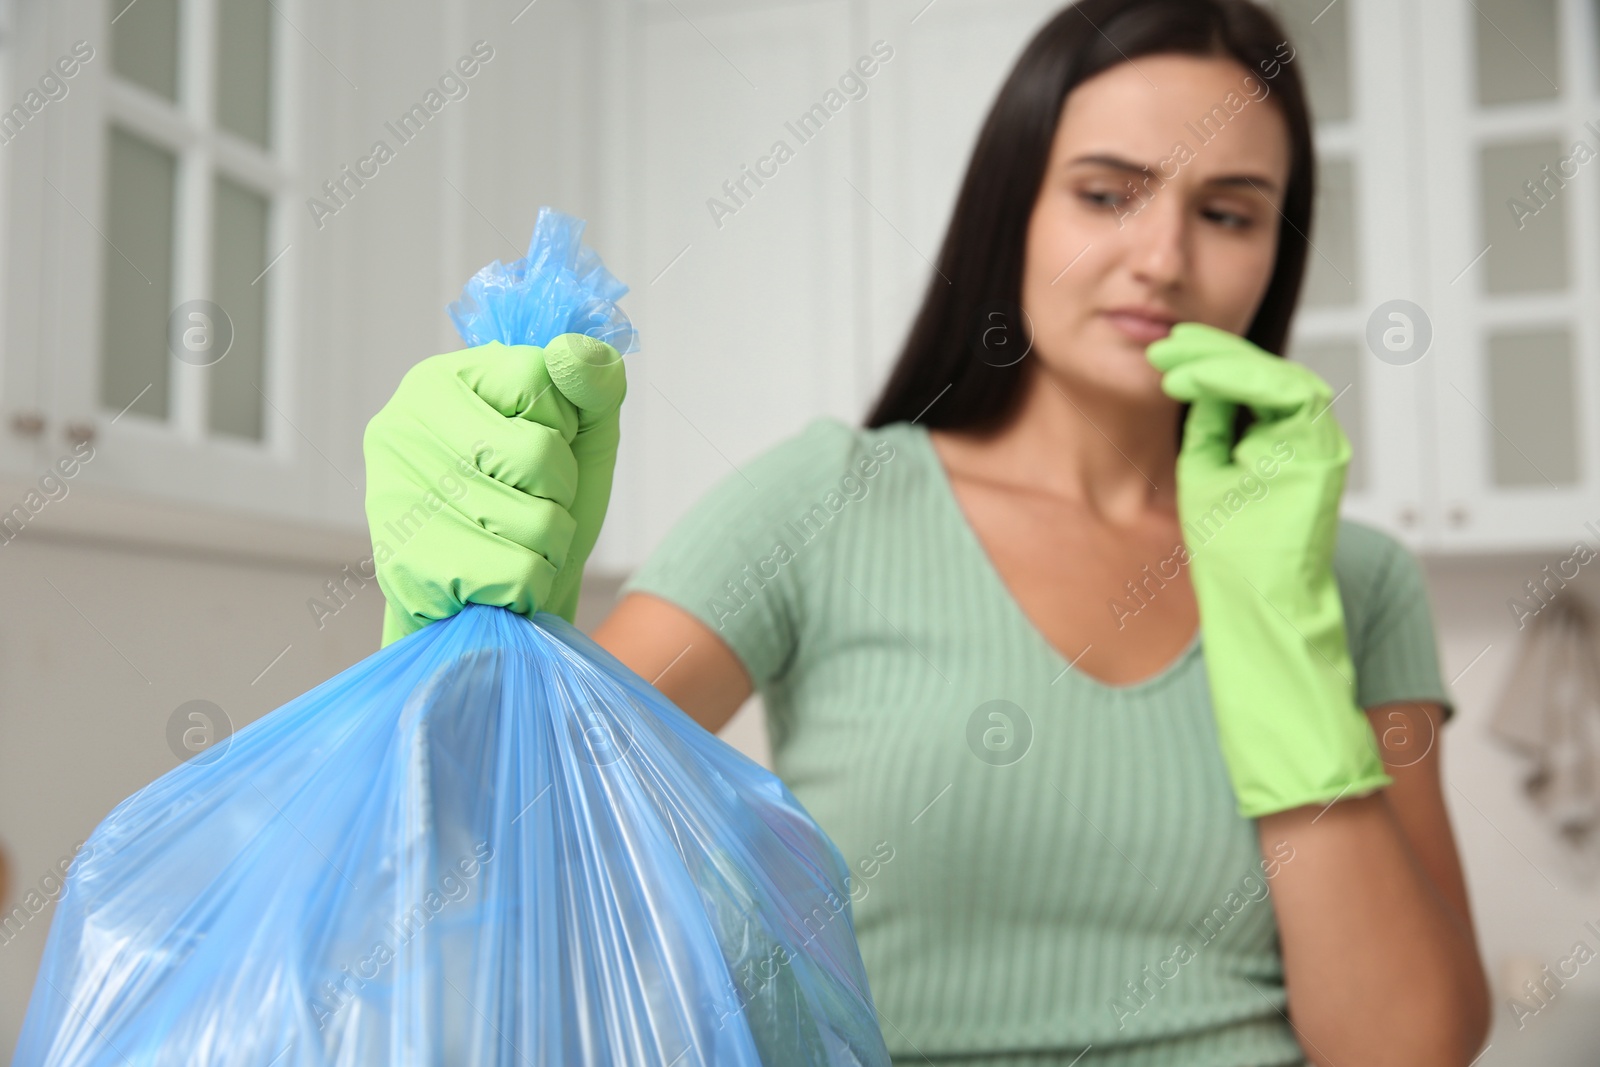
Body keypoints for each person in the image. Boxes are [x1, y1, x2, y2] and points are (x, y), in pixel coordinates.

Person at [361, 0, 1492, 1062]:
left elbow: (1405, 1046)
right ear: (1013, 210)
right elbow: (491, 850)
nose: (1162, 260)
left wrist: (1281, 639)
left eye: (1227, 211)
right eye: (1106, 193)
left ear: (1273, 254)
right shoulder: (825, 505)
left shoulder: (1351, 574)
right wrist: (467, 643)